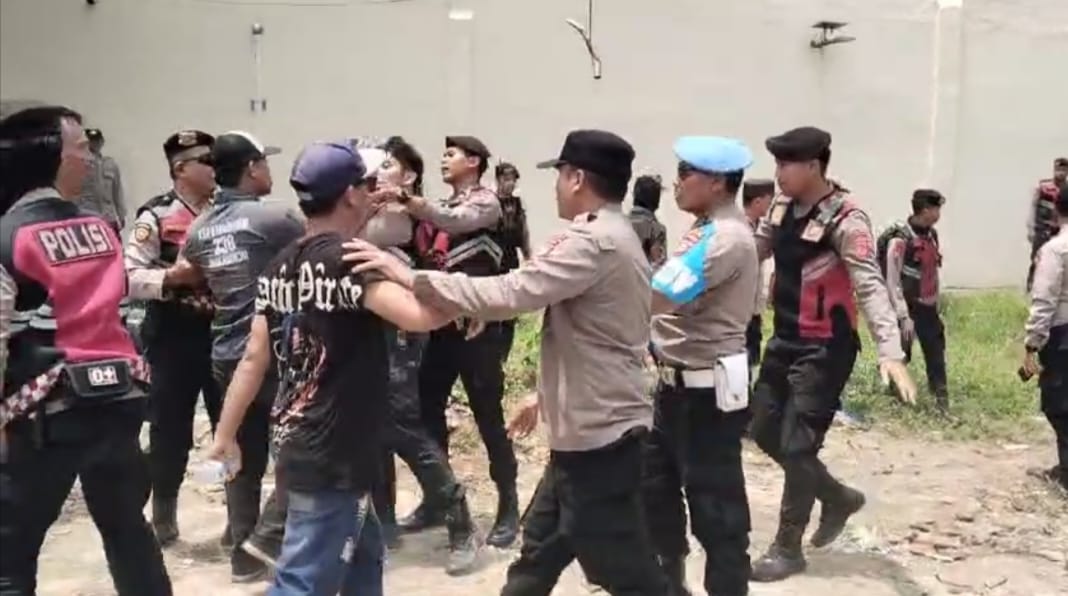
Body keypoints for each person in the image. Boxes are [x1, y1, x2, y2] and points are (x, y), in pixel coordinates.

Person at [344, 129, 668, 596]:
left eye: (559, 175)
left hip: (600, 441)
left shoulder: (595, 241)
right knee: (537, 555)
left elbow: (512, 291)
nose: (555, 186)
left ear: (577, 178)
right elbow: (591, 335)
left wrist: (408, 277)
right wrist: (542, 396)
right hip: (586, 430)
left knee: (625, 571)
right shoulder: (612, 234)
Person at [207, 140, 470, 596]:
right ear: (350, 194)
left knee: (364, 569)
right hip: (335, 455)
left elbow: (254, 357)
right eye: (368, 185)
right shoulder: (351, 260)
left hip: (302, 442)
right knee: (301, 584)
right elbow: (424, 316)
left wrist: (224, 434)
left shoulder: (280, 265)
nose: (373, 193)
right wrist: (411, 275)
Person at [0, 106, 171, 595]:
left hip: (46, 415)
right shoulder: (100, 228)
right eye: (79, 150)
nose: (89, 159)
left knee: (11, 556)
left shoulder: (8, 237)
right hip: (117, 402)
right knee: (128, 532)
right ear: (48, 158)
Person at [749, 126, 917, 582]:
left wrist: (891, 351)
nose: (778, 174)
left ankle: (788, 548)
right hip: (784, 338)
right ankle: (838, 497)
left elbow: (870, 284)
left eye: (786, 165)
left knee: (798, 445)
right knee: (762, 429)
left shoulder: (846, 217)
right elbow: (752, 253)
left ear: (813, 166)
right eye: (777, 164)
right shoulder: (781, 208)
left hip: (825, 346)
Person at [182, 130, 304, 582]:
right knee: (301, 448)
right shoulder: (275, 219)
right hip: (275, 353)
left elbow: (192, 269)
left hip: (225, 354)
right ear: (252, 168)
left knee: (239, 453)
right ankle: (269, 538)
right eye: (265, 162)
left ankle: (242, 554)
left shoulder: (199, 229)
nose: (269, 170)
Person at [359, 136, 482, 574]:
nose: (376, 174)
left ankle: (459, 519)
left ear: (409, 175)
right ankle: (383, 521)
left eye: (386, 165)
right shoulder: (366, 204)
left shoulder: (404, 211)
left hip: (401, 324)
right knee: (372, 421)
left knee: (400, 423)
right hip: (365, 322)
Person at [389, 135, 519, 548]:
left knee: (488, 417)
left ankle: (509, 505)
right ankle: (437, 500)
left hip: (479, 329)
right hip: (440, 328)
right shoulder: (437, 207)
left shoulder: (486, 203)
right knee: (427, 411)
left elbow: (455, 221)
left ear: (474, 161)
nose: (443, 160)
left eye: (452, 155)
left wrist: (409, 200)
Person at [643, 137, 760, 596]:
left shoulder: (725, 239)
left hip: (705, 396)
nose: (676, 183)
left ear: (716, 183)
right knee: (657, 491)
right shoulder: (706, 229)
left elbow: (659, 295)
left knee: (717, 514)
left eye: (685, 173)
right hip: (676, 388)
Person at [125, 129, 223, 545]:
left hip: (223, 333)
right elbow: (129, 276)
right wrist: (172, 278)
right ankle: (163, 515)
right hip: (173, 337)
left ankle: (242, 520)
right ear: (181, 169)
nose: (215, 168)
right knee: (169, 430)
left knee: (232, 427)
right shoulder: (156, 215)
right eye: (206, 161)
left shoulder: (228, 209)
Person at [877, 189, 948, 410]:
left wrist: (935, 303)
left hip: (927, 308)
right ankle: (897, 402)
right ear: (925, 210)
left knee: (936, 355)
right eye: (936, 209)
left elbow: (931, 273)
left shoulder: (931, 235)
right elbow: (892, 280)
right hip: (906, 309)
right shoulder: (900, 240)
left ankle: (941, 404)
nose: (938, 214)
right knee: (900, 356)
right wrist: (902, 315)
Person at [1021, 183, 1068, 490]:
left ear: (1057, 210)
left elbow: (1044, 300)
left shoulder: (1055, 249)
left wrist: (1032, 343)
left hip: (1063, 335)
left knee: (1058, 405)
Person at [495, 161, 533, 360]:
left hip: (510, 261)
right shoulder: (490, 203)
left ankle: (504, 355)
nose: (510, 183)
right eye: (506, 179)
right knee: (493, 307)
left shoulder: (517, 205)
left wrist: (529, 260)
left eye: (513, 180)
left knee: (510, 309)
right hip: (492, 262)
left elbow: (524, 234)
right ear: (499, 180)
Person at [742, 178, 775, 369]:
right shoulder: (741, 229)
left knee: (752, 360)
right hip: (741, 311)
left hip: (754, 308)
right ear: (757, 202)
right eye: (769, 202)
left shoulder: (761, 229)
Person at [1027, 157, 1068, 291]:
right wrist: (1030, 228)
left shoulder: (1066, 190)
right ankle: (1031, 286)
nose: (1060, 173)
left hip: (1059, 230)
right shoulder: (1044, 187)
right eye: (1058, 169)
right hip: (1042, 228)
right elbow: (1033, 206)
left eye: (1064, 170)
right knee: (1036, 258)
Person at [77, 127, 126, 234]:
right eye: (91, 141)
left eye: (97, 141)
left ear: (102, 142)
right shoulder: (78, 165)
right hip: (88, 218)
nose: (94, 144)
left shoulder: (110, 164)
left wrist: (121, 215)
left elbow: (117, 191)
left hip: (108, 218)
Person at [628, 173, 668, 269]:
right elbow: (659, 264)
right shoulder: (657, 229)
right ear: (657, 202)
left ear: (634, 196)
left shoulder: (621, 223)